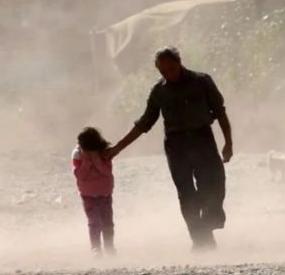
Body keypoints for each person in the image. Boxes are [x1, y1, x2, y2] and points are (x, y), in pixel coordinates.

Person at [106, 47, 233, 251]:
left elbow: (220, 111)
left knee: (215, 184)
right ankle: (200, 241)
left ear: (180, 62)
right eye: (163, 72)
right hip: (176, 146)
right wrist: (118, 147)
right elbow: (145, 122)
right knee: (186, 194)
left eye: (171, 69)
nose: (168, 74)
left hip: (203, 140)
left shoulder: (202, 81)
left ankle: (207, 225)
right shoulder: (159, 91)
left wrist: (228, 142)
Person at [72, 127, 115, 257]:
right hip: (87, 195)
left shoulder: (104, 153)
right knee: (94, 222)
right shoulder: (78, 155)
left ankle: (109, 247)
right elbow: (80, 175)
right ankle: (96, 249)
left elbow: (107, 172)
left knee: (107, 221)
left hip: (105, 193)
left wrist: (96, 160)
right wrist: (86, 162)